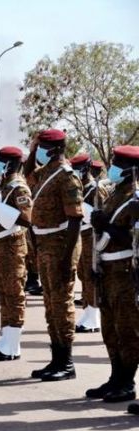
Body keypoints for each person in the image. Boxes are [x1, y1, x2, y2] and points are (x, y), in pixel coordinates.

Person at [25, 129, 83, 382]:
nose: (37, 150)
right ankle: (56, 358)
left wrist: (67, 259)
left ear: (55, 149)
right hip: (45, 244)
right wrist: (32, 150)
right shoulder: (45, 172)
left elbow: (75, 220)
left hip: (60, 245)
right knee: (50, 305)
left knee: (61, 305)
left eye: (40, 146)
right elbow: (26, 175)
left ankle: (67, 362)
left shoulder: (67, 177)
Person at [88, 145, 139, 409]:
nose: (113, 166)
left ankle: (127, 382)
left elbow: (132, 238)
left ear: (132, 170)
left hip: (124, 271)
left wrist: (105, 225)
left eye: (118, 163)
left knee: (127, 329)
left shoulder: (135, 198)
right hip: (107, 269)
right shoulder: (115, 193)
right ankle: (115, 377)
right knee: (109, 328)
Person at [0, 146, 33, 361]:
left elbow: (27, 218)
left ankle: (13, 344)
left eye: (2, 161)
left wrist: (1, 209)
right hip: (0, 246)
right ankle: (5, 338)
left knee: (14, 294)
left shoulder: (19, 188)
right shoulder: (3, 185)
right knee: (3, 293)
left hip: (12, 248)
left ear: (12, 164)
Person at [70, 152, 108, 333]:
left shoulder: (95, 188)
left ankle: (94, 317)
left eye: (77, 170)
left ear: (86, 169)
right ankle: (88, 311)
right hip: (83, 236)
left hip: (93, 237)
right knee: (85, 274)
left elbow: (102, 215)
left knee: (92, 276)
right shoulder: (82, 188)